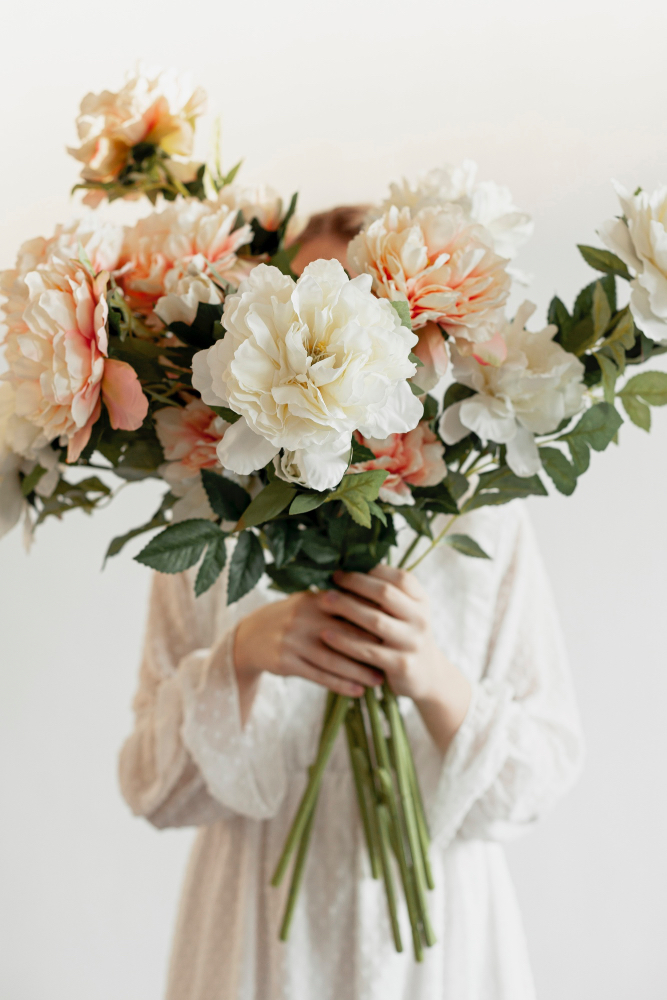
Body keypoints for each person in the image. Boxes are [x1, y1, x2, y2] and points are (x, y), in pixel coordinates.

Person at [119, 209, 584, 1000]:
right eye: (296, 309)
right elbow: (148, 786)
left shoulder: (477, 513)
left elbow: (544, 774)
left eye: (357, 311)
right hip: (252, 943)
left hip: (440, 953)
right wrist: (239, 656)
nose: (320, 347)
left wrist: (431, 676)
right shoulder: (211, 510)